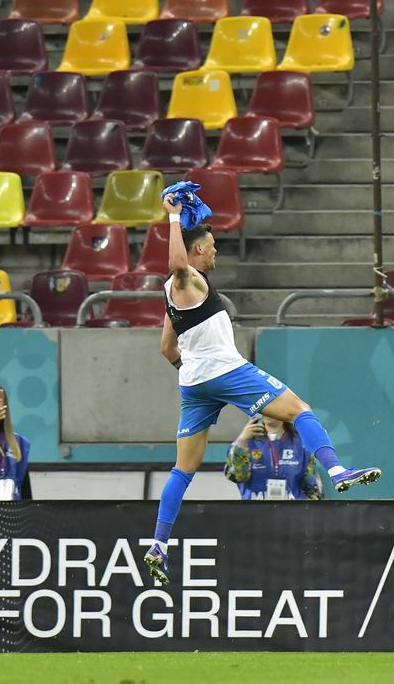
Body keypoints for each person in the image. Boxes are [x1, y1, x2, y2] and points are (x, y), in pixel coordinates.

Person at [146, 193, 381, 586]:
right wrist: (172, 219)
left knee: (182, 470)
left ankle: (158, 545)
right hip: (225, 371)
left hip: (193, 385)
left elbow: (166, 348)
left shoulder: (172, 297)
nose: (216, 253)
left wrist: (195, 374)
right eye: (213, 247)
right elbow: (175, 262)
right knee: (299, 410)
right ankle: (338, 470)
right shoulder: (187, 279)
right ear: (199, 249)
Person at [224, 415, 324, 501]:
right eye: (266, 408)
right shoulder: (247, 441)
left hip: (292, 515)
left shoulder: (301, 444)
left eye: (273, 408)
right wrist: (242, 441)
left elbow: (313, 490)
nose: (269, 412)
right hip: (254, 514)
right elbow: (236, 476)